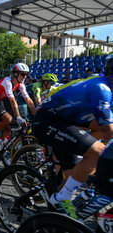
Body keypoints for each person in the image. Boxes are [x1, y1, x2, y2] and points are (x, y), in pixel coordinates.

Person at [32, 54, 113, 219]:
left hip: (66, 122)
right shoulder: (102, 89)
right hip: (47, 121)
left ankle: (55, 216)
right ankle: (61, 198)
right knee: (98, 153)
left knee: (73, 175)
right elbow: (108, 132)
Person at [0, 63, 36, 150]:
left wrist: (36, 115)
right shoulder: (7, 81)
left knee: (7, 128)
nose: (25, 76)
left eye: (26, 74)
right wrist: (18, 117)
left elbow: (29, 101)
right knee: (8, 119)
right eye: (23, 74)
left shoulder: (21, 85)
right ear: (15, 74)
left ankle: (0, 149)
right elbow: (12, 100)